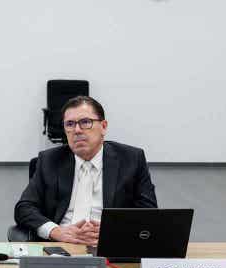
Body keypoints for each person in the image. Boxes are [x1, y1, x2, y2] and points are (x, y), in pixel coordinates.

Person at [14, 96, 157, 245]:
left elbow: (149, 214)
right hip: (61, 247)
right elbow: (24, 208)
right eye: (70, 124)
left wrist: (114, 230)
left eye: (85, 122)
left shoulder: (131, 159)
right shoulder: (49, 160)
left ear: (103, 127)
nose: (77, 130)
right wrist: (56, 231)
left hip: (111, 246)